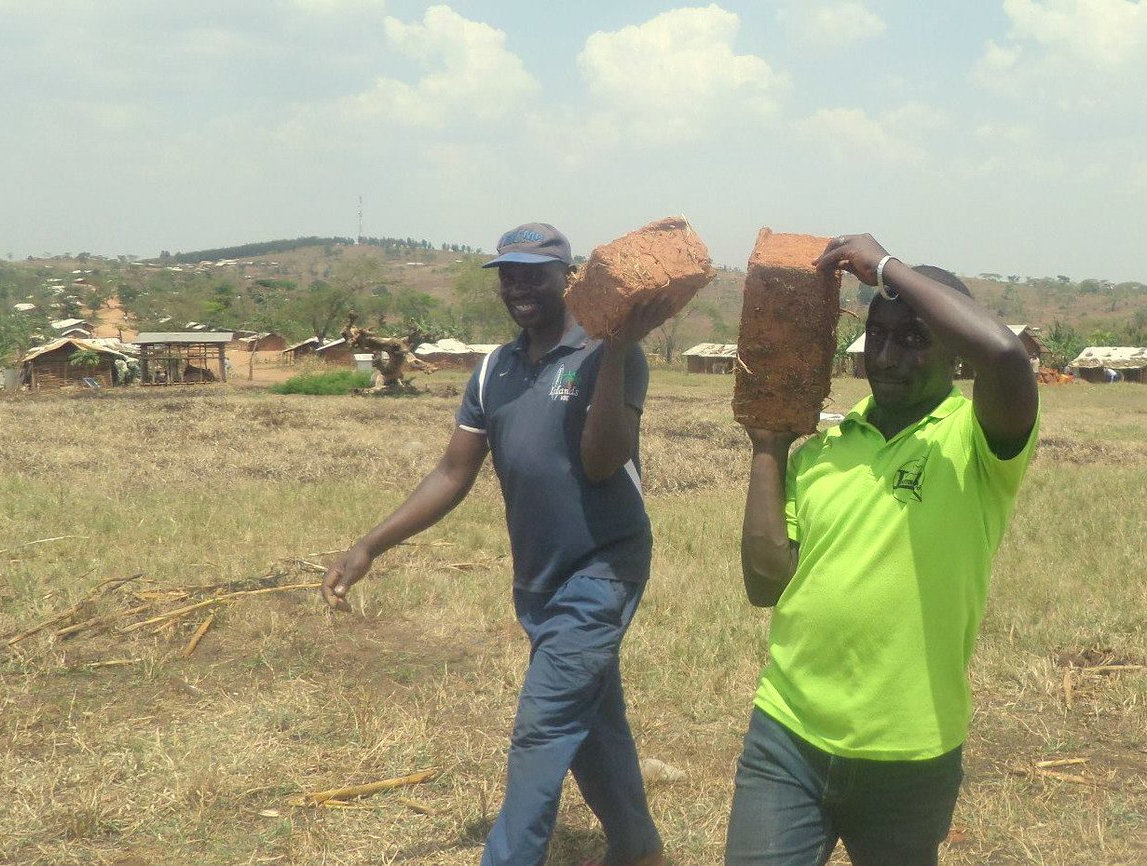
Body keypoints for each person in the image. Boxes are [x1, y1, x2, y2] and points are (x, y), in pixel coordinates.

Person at [322, 223, 670, 866]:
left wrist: (619, 350)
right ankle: (640, 850)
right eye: (508, 273)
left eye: (533, 272)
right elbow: (453, 473)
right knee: (592, 721)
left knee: (543, 729)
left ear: (568, 277)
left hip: (603, 567)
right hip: (539, 574)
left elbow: (602, 461)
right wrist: (371, 544)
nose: (518, 286)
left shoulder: (608, 352)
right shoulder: (494, 370)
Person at [727, 234, 1039, 866]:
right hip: (787, 734)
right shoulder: (823, 451)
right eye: (877, 335)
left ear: (956, 352)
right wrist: (768, 448)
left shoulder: (976, 446)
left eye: (915, 337)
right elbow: (765, 584)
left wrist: (886, 267)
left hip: (910, 755)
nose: (888, 356)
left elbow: (1007, 357)